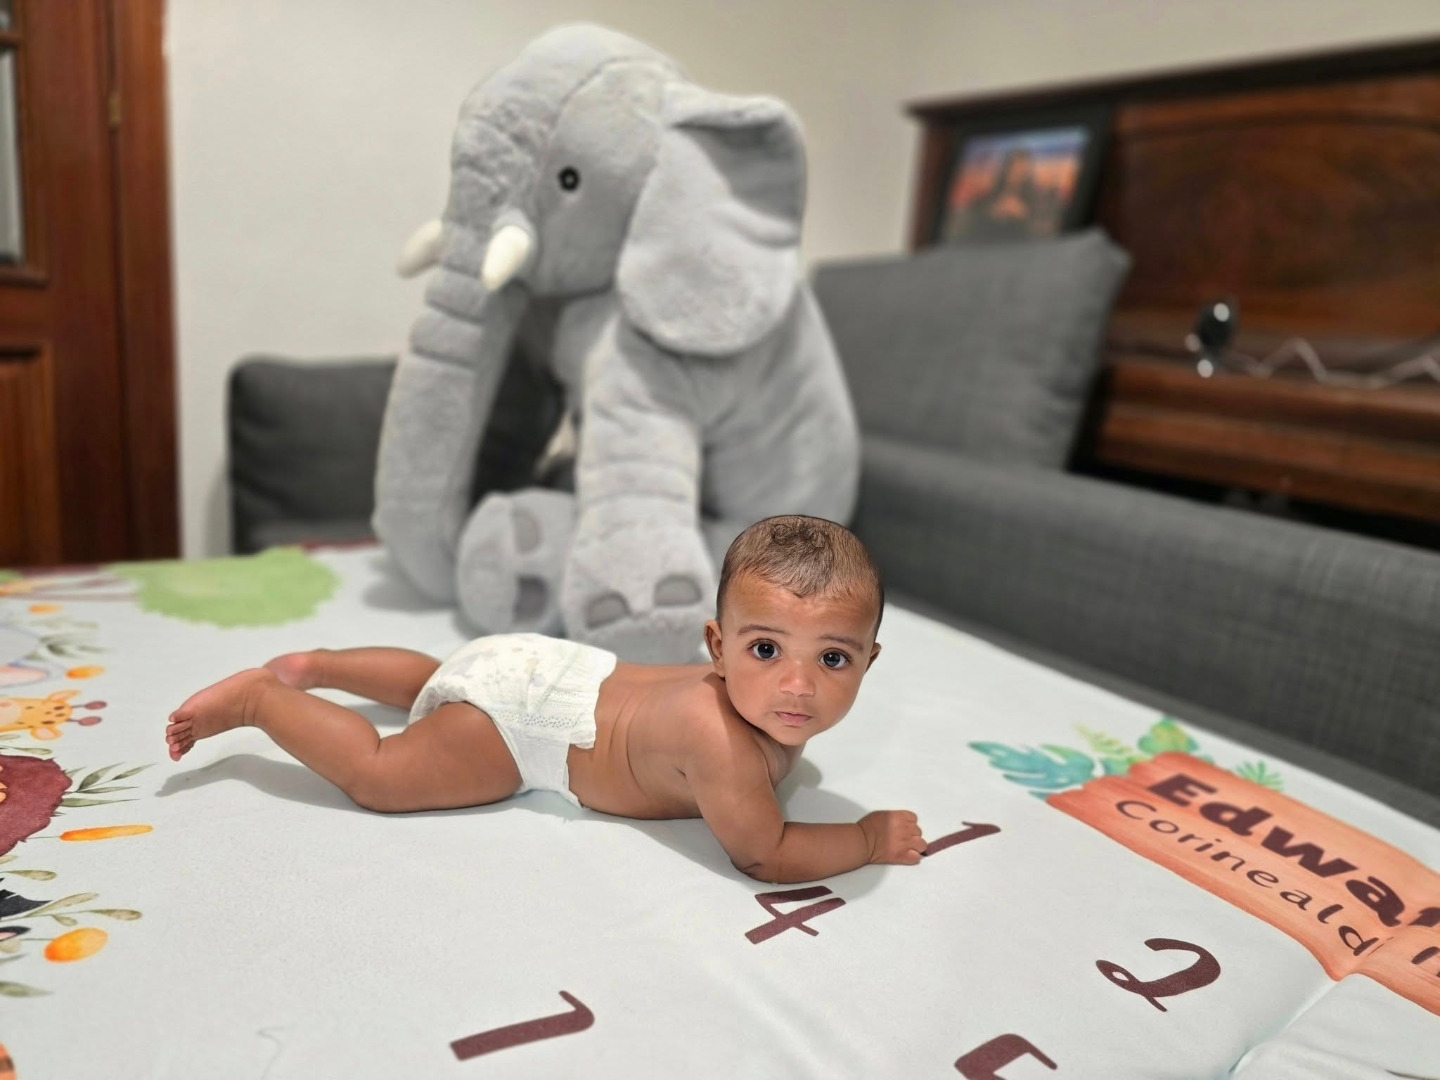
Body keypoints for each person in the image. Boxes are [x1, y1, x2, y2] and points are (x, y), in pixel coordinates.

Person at [165, 515, 925, 883]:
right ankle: (263, 700)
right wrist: (864, 840)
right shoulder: (722, 745)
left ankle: (321, 664)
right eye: (766, 650)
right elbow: (765, 852)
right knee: (381, 772)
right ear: (717, 647)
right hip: (525, 728)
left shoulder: (730, 691)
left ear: (870, 661)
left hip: (540, 660)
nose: (797, 685)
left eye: (832, 658)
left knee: (441, 676)